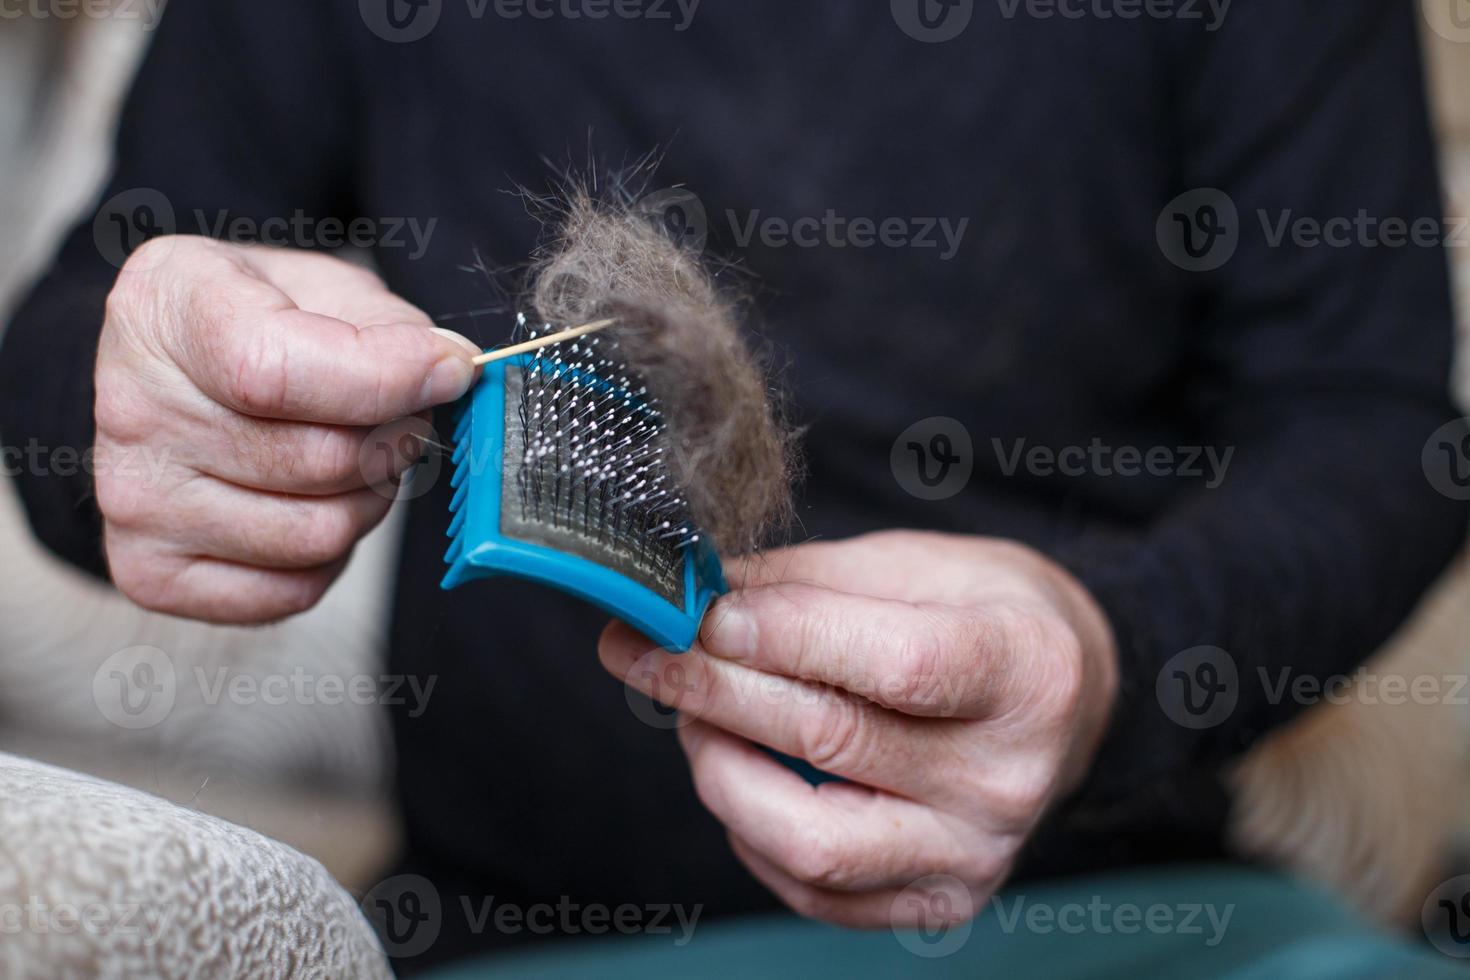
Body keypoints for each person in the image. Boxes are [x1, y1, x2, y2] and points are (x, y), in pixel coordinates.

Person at [1, 1, 1465, 975]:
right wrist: (142, 397)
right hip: (529, 927)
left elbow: (1381, 429)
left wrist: (1110, 653)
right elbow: (94, 303)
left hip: (1116, 913)